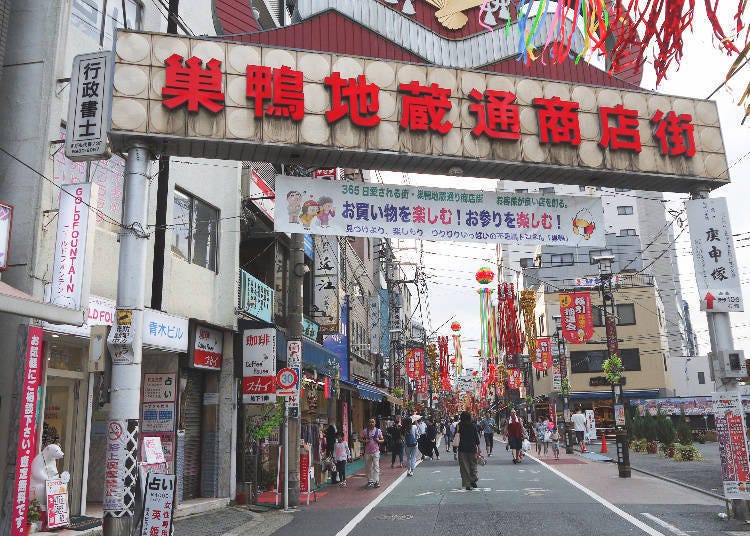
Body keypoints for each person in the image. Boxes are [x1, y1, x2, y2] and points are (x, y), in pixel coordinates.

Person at [456, 411, 480, 490]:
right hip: (472, 448)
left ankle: (467, 484)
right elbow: (476, 437)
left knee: (464, 466)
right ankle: (473, 478)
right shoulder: (473, 426)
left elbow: (456, 436)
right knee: (473, 465)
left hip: (462, 448)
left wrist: (457, 429)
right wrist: (479, 447)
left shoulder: (459, 425)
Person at [360, 418, 384, 488]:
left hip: (376, 452)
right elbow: (360, 438)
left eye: (373, 422)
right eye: (370, 422)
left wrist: (378, 441)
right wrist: (365, 441)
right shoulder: (365, 431)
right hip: (367, 452)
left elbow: (382, 439)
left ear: (375, 423)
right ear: (368, 423)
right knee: (368, 467)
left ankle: (376, 481)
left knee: (376, 466)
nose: (371, 423)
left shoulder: (378, 431)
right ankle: (370, 480)